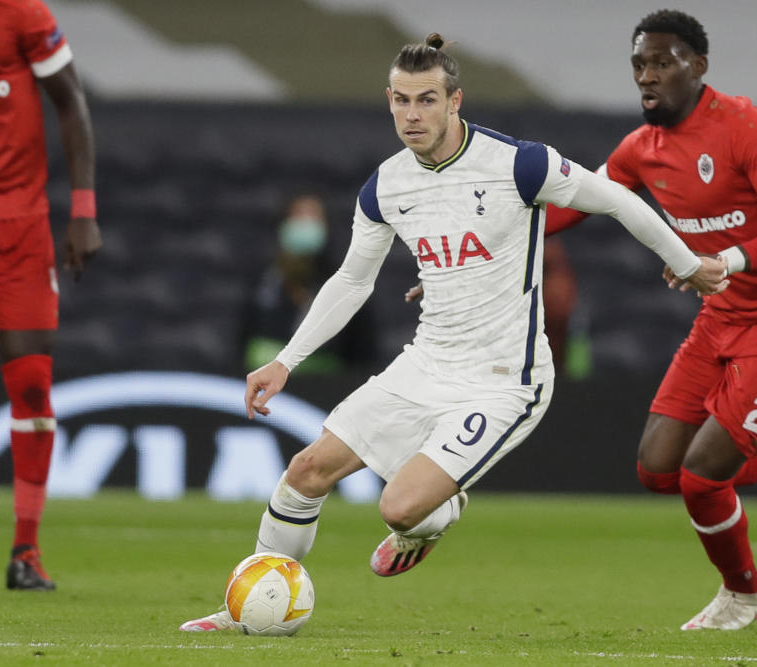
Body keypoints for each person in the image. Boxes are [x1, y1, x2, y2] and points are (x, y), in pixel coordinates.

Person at [180, 32, 727, 631]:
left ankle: (438, 509)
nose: (413, 115)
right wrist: (287, 359)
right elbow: (351, 282)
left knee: (400, 508)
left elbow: (619, 200)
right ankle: (250, 603)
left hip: (502, 381)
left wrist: (686, 260)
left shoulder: (520, 164)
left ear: (455, 101)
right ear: (388, 100)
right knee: (305, 472)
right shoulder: (386, 185)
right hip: (426, 363)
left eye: (427, 100)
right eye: (401, 101)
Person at [544, 9, 757, 630]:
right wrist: (482, 254)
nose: (649, 76)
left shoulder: (741, 125)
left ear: (699, 66)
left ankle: (745, 592)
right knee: (658, 471)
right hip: (721, 317)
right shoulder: (640, 149)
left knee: (700, 478)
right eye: (640, 64)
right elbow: (574, 207)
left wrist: (726, 259)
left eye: (664, 62)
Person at [0, 0, 102, 591]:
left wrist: (83, 209)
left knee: (30, 382)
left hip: (16, 225)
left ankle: (25, 551)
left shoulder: (18, 9)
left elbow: (70, 98)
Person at [240, 193, 379, 374]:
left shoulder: (348, 284)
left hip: (323, 390)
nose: (305, 224)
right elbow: (242, 342)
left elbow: (362, 354)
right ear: (283, 224)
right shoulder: (261, 280)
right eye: (298, 215)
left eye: (313, 216)